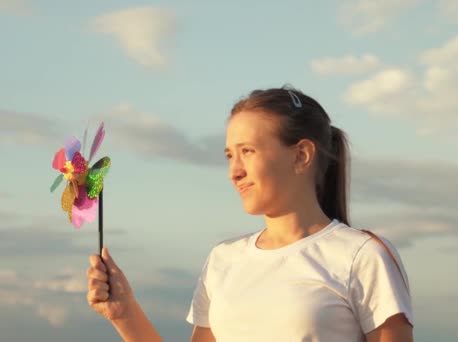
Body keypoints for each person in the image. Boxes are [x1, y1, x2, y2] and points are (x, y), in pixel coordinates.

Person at [86, 85, 414, 342]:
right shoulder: (223, 260)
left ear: (301, 155)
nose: (234, 171)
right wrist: (124, 313)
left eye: (248, 151)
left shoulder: (362, 256)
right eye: (230, 155)